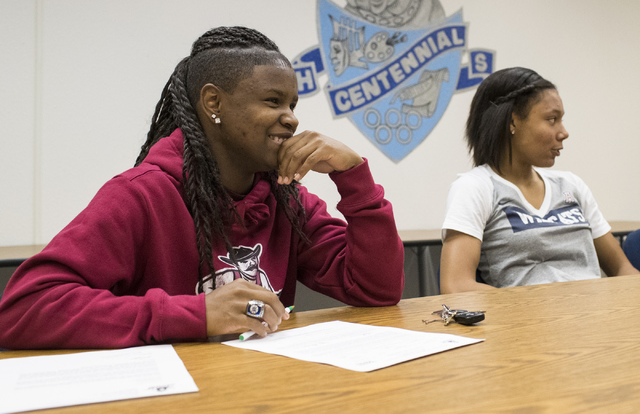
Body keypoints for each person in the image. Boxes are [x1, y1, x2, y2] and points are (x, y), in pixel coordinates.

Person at [0, 26, 404, 349]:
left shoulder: (288, 199)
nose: (291, 119)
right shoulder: (142, 195)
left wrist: (354, 177)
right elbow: (22, 309)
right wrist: (193, 314)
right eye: (272, 101)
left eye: (292, 105)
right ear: (213, 103)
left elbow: (375, 288)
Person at [440, 67, 638, 293]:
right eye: (552, 119)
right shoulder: (475, 187)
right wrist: (542, 310)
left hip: (594, 319)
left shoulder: (571, 185)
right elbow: (456, 286)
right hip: (529, 324)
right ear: (512, 122)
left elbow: (622, 269)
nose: (564, 132)